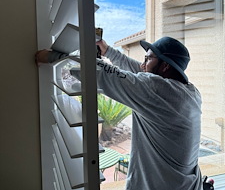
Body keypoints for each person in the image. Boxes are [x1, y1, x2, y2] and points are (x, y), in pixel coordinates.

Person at [36, 36, 203, 190]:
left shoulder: (156, 91)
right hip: (188, 184)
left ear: (165, 66)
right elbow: (138, 74)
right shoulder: (189, 92)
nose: (142, 64)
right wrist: (108, 51)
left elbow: (102, 74)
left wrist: (53, 57)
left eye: (148, 58)